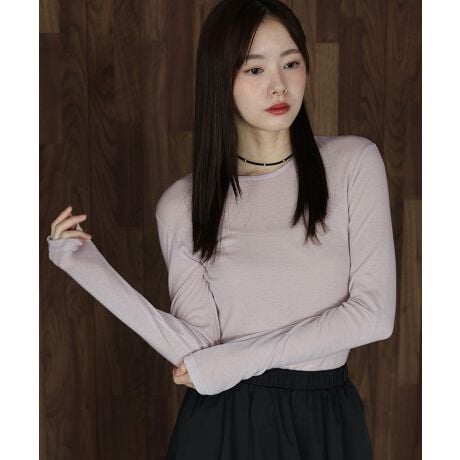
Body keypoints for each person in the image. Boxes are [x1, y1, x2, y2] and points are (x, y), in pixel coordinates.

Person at [47, 0, 396, 458]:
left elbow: (373, 315)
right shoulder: (182, 205)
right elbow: (200, 351)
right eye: (255, 69)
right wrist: (88, 269)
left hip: (326, 422)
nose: (279, 84)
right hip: (222, 424)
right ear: (220, 79)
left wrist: (234, 361)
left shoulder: (353, 164)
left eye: (291, 63)